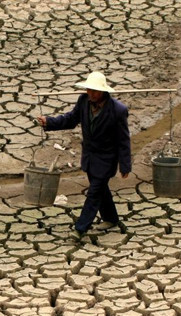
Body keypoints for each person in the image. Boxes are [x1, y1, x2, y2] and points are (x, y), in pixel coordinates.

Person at [36, 71, 131, 235]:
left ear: (103, 91)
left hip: (107, 159)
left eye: (93, 91)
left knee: (94, 192)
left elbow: (123, 140)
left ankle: (81, 228)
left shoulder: (118, 110)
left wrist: (125, 165)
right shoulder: (84, 101)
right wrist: (49, 122)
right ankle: (111, 218)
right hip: (89, 156)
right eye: (88, 90)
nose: (90, 93)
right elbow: (71, 119)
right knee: (101, 189)